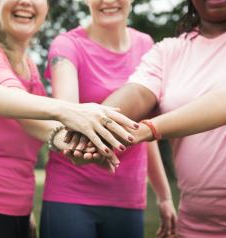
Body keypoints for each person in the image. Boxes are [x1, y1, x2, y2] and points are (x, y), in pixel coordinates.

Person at [0, 1, 137, 238]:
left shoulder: (28, 65)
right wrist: (69, 114)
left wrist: (74, 143)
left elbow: (27, 131)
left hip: (7, 206)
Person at [87, 0, 226, 236]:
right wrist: (91, 125)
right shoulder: (169, 51)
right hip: (194, 226)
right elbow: (137, 93)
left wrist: (149, 129)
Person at [40, 0, 177, 237]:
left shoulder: (145, 45)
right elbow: (68, 114)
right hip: (70, 194)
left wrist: (164, 196)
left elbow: (143, 129)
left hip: (128, 196)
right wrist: (94, 151)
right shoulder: (67, 45)